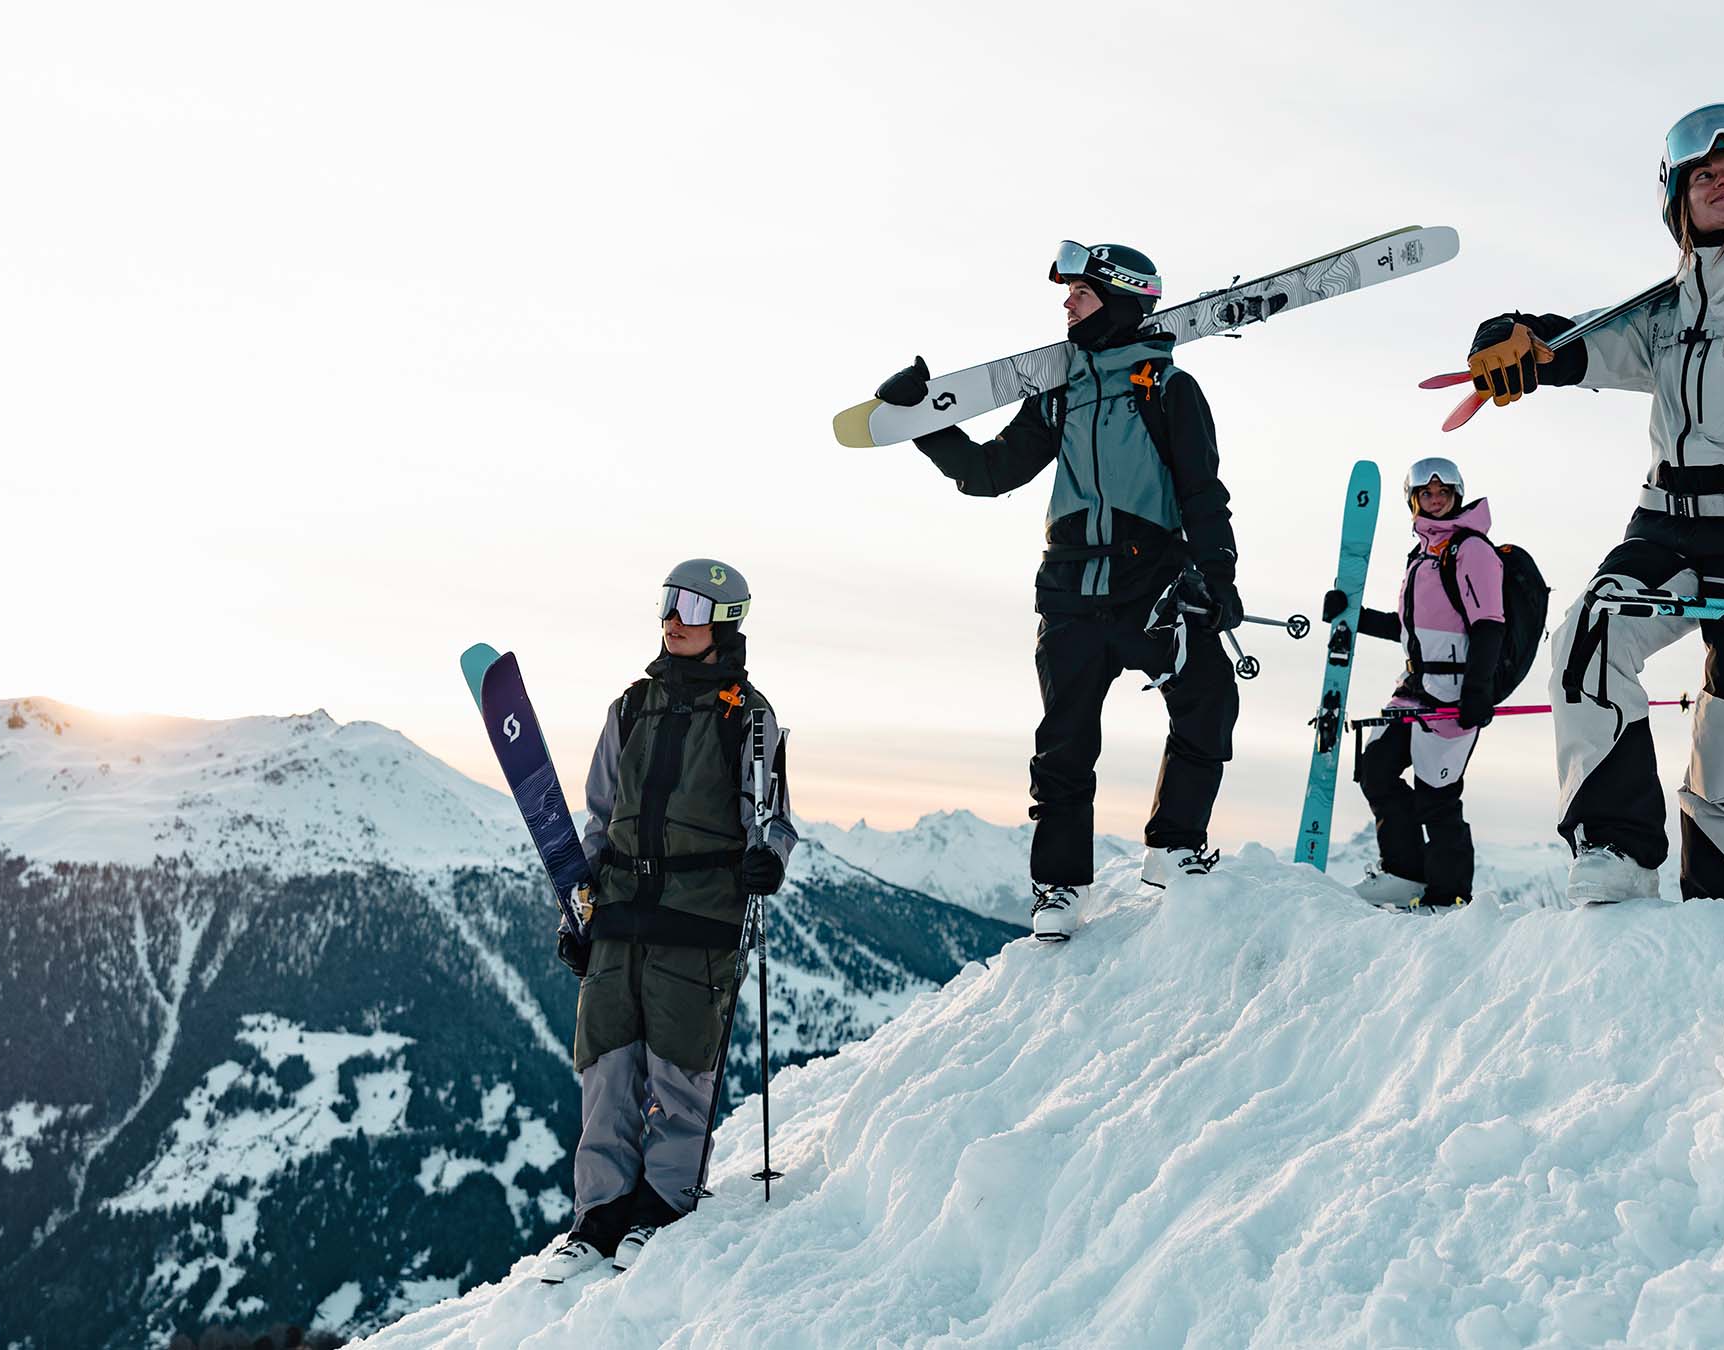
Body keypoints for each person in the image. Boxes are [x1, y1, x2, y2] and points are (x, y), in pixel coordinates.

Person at [1462, 103, 1724, 914]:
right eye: (1705, 174)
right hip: (1668, 528)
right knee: (1589, 637)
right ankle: (1614, 847)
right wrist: (1519, 338)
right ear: (1676, 196)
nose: (1723, 182)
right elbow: (1591, 345)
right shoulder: (1672, 310)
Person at [875, 242, 1242, 942]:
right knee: (1064, 744)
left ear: (1124, 301)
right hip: (1070, 590)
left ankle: (1173, 847)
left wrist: (1217, 576)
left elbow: (1201, 491)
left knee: (1207, 698)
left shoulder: (1167, 389)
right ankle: (1060, 888)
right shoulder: (1059, 396)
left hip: (1153, 585)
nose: (1067, 304)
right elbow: (987, 473)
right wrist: (926, 419)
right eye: (1069, 293)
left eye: (1082, 293)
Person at [538, 558, 797, 1283]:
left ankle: (660, 1209)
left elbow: (773, 817)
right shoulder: (630, 708)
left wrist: (767, 860)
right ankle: (598, 1219)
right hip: (620, 909)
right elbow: (597, 817)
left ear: (724, 619)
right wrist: (577, 909)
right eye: (666, 602)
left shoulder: (748, 715)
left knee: (680, 1070)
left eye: (689, 605)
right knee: (606, 1065)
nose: (672, 618)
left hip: (700, 915)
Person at [1324, 457, 1506, 909]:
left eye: (1444, 492)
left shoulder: (1472, 550)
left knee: (1437, 799)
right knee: (1376, 771)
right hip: (1413, 692)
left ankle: (1448, 897)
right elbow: (1412, 628)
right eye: (1427, 493)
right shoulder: (1423, 556)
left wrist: (1478, 692)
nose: (1436, 499)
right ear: (1414, 500)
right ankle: (1405, 874)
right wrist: (1354, 618)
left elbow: (1489, 625)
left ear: (1457, 496)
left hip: (1453, 696)